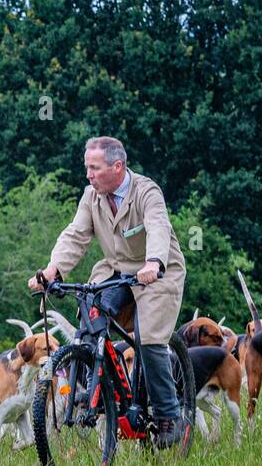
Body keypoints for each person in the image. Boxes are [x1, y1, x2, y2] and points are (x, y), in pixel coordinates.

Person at [27, 136, 188, 447]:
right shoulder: (92, 196)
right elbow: (75, 236)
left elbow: (158, 227)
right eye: (87, 167)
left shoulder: (147, 192)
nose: (88, 174)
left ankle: (169, 415)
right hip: (116, 270)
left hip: (157, 272)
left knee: (149, 337)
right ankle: (95, 385)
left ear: (117, 166)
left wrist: (154, 262)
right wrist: (51, 271)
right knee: (90, 312)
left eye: (94, 168)